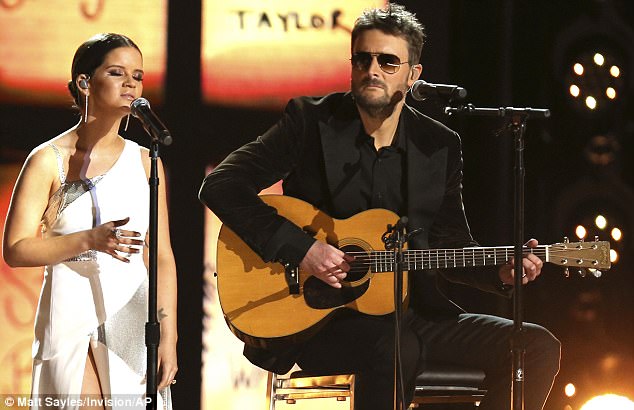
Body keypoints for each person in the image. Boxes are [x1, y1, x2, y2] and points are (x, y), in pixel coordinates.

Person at [199, 4, 560, 410]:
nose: (372, 70)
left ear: (413, 75)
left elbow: (447, 242)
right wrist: (304, 250)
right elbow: (221, 185)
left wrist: (500, 270)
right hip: (322, 319)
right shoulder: (310, 122)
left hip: (414, 316)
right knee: (393, 349)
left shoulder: (438, 144)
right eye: (362, 59)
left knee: (536, 345)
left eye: (387, 61)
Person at [2, 33, 178, 409]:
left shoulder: (149, 162)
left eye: (138, 75)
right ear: (85, 82)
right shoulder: (48, 160)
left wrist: (169, 335)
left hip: (133, 312)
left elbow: (161, 255)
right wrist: (89, 240)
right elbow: (16, 249)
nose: (131, 83)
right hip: (70, 312)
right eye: (116, 72)